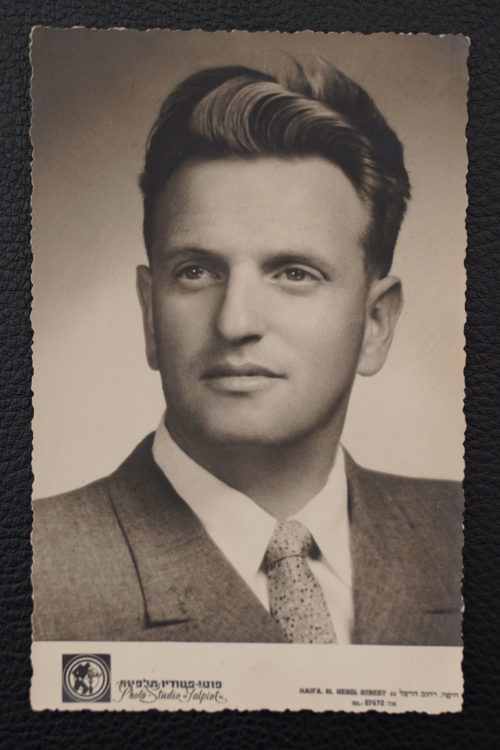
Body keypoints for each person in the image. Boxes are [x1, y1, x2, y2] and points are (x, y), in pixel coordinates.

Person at [32, 60, 463, 645]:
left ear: (375, 324)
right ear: (150, 314)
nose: (234, 322)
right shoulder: (33, 572)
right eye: (196, 271)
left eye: (294, 273)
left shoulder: (464, 540)